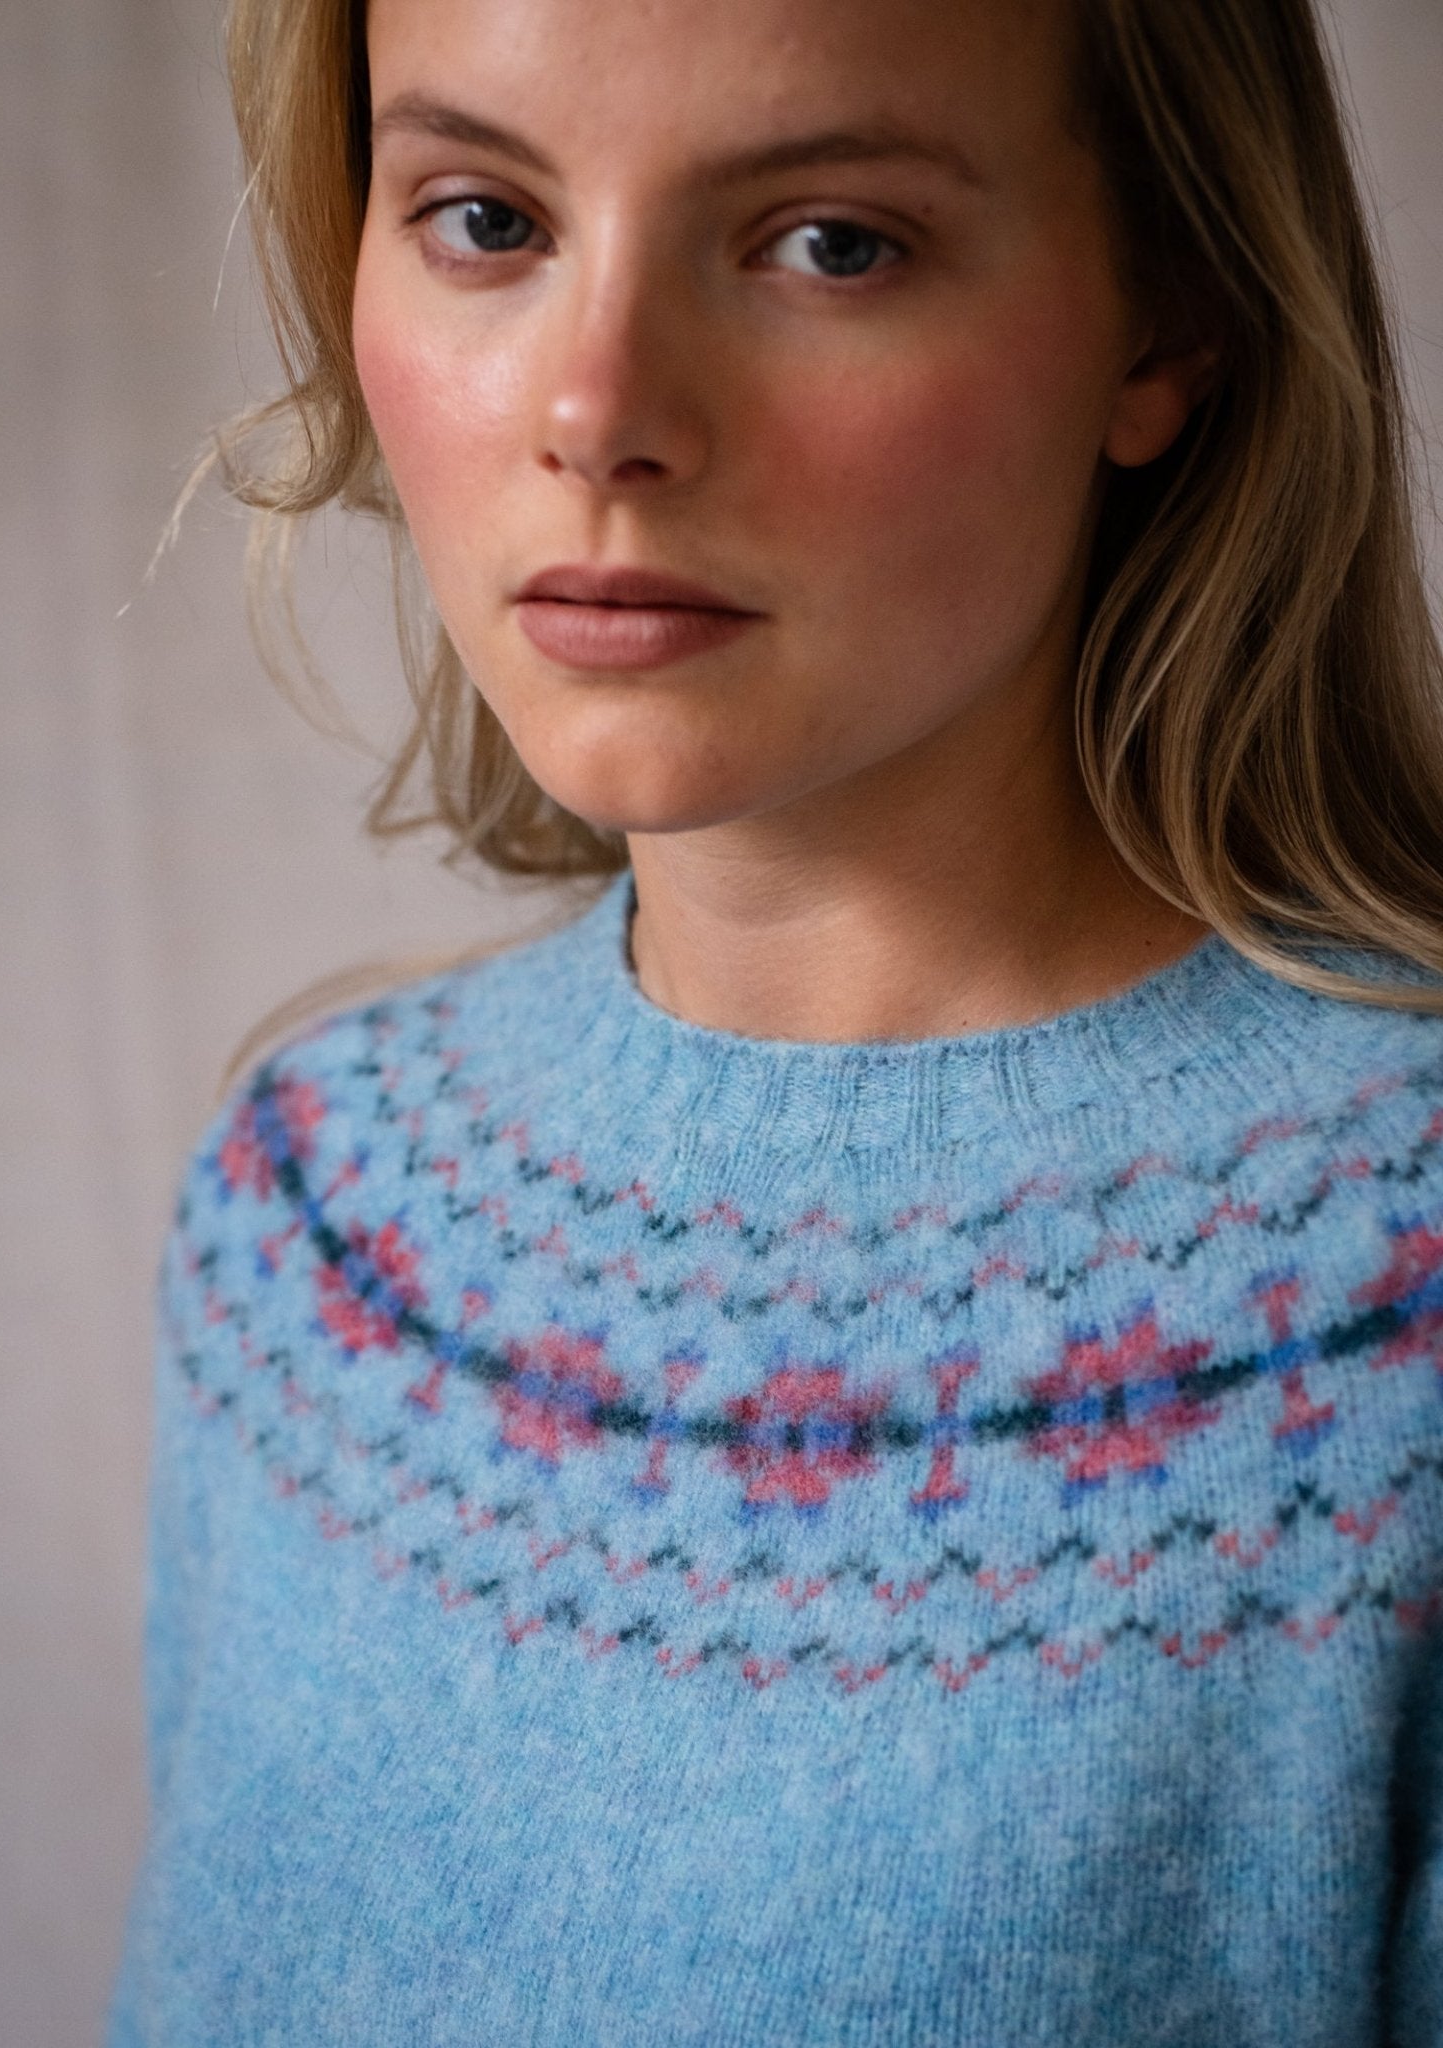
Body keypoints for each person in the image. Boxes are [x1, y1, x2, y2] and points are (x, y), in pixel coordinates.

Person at [108, 0, 1443, 2040]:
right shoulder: (317, 1221)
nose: (597, 405)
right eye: (483, 216)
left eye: (832, 241)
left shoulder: (1402, 1305)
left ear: (1164, 320)